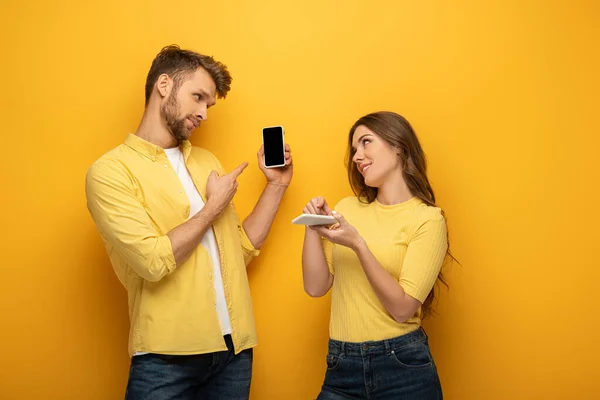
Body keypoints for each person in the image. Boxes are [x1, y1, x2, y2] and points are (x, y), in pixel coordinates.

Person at [85, 45, 293, 399]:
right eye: (198, 97)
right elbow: (153, 261)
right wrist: (212, 208)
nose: (204, 114)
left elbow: (237, 251)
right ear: (163, 85)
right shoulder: (110, 172)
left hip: (234, 354)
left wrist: (276, 186)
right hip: (166, 359)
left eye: (209, 105)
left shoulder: (205, 161)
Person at [301, 111, 450, 399]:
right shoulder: (348, 207)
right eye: (355, 149)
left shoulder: (428, 220)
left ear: (398, 146)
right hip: (341, 363)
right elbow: (315, 287)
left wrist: (358, 244)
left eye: (366, 142)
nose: (357, 156)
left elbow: (403, 308)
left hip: (402, 365)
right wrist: (312, 227)